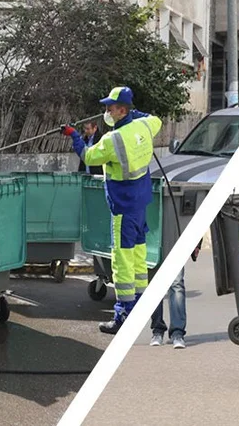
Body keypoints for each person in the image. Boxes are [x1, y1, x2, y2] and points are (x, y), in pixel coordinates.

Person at [62, 86, 162, 334]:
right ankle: (139, 306)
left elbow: (88, 156)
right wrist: (135, 113)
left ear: (122, 109)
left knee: (121, 261)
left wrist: (74, 134)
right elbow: (155, 119)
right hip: (140, 205)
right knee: (138, 258)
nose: (106, 111)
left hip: (123, 207)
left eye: (111, 107)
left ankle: (123, 316)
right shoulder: (145, 126)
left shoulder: (112, 140)